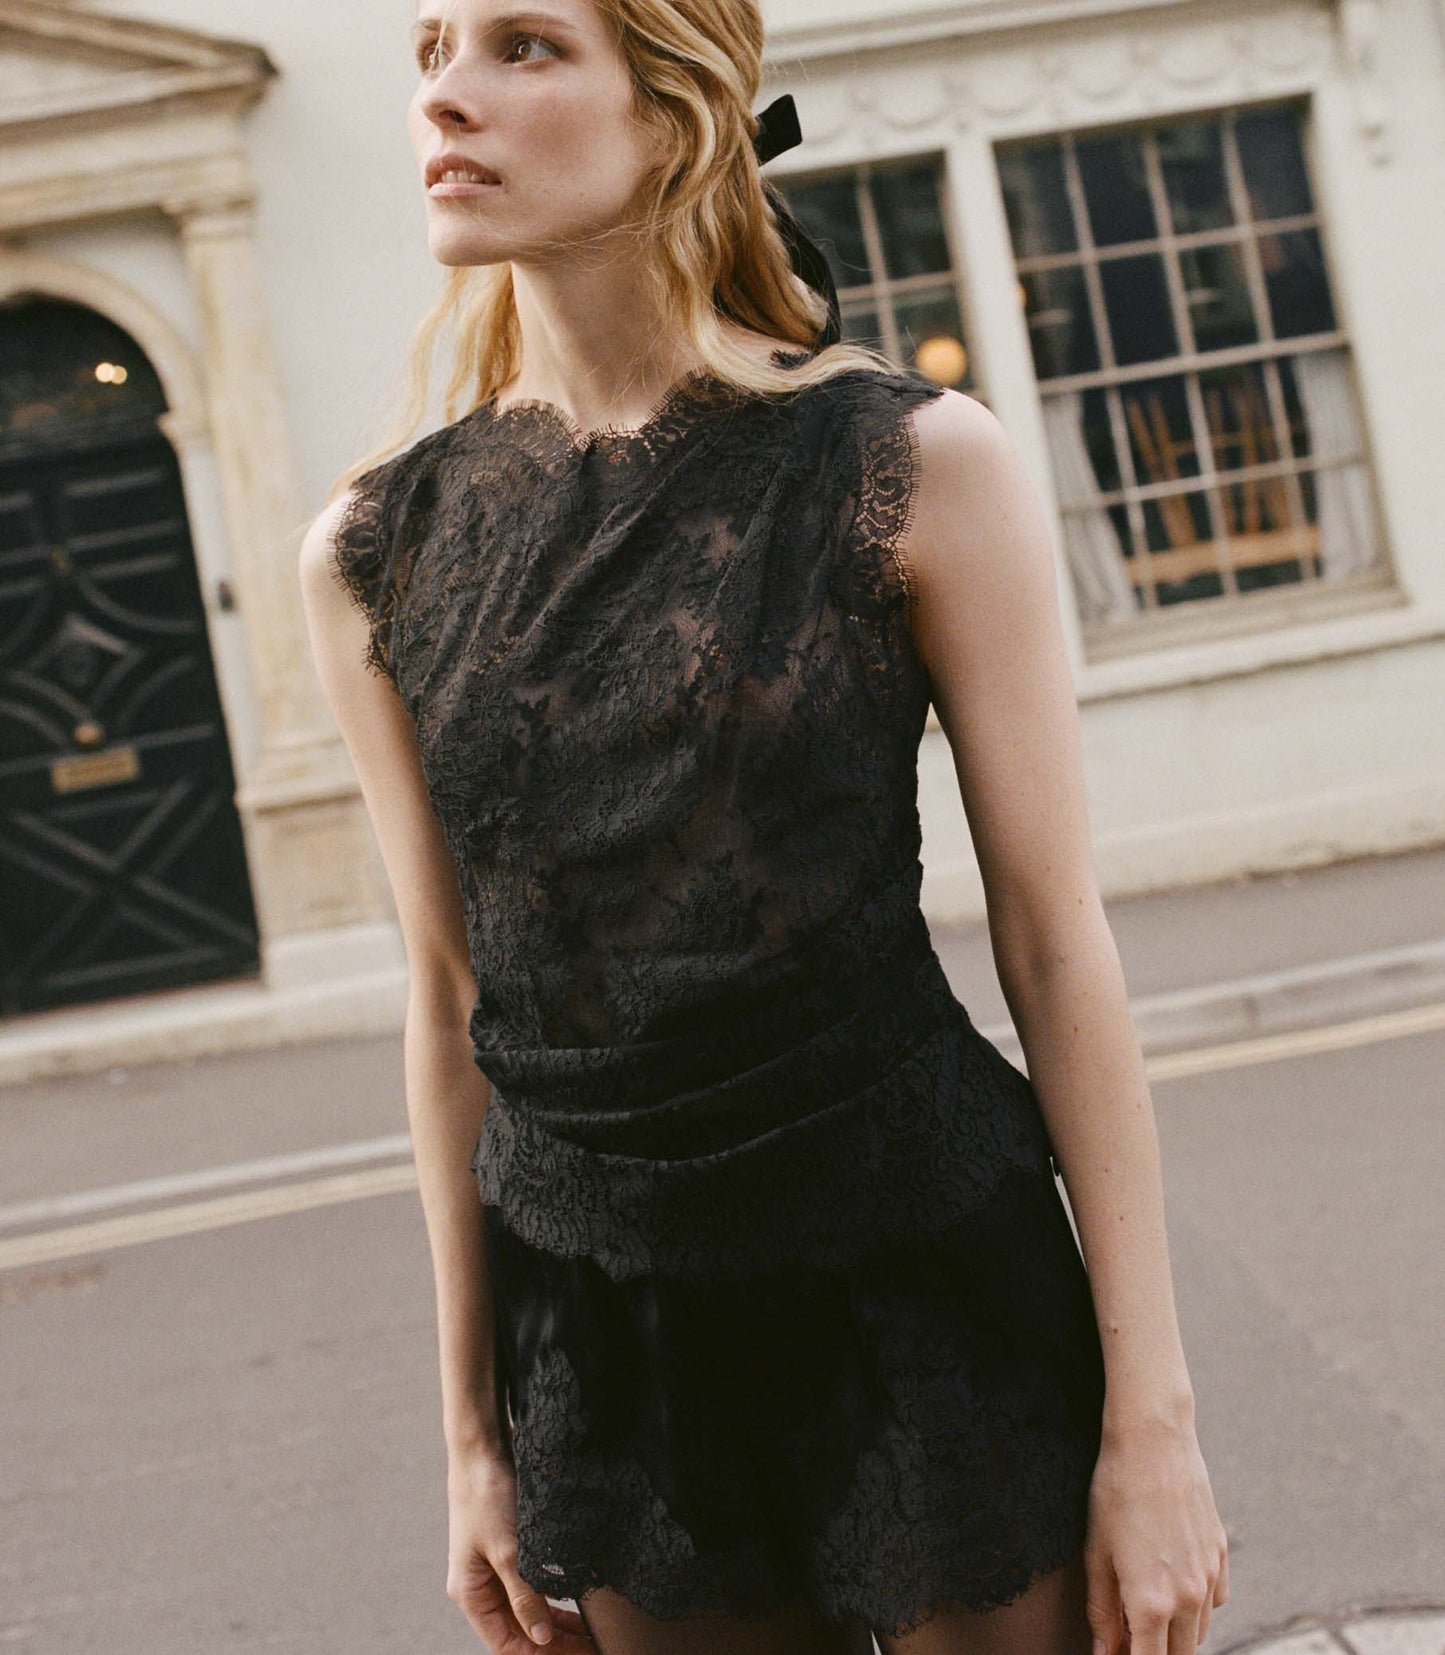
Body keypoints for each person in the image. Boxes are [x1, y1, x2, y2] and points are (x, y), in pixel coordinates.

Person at [299, 2, 1230, 1652]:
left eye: (524, 45)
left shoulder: (910, 463)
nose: (446, 94)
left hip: (923, 1269)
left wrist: (1151, 1429)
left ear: (673, 116)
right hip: (607, 1329)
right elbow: (450, 1000)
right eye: (431, 47)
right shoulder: (375, 551)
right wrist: (470, 1443)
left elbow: (1050, 938)